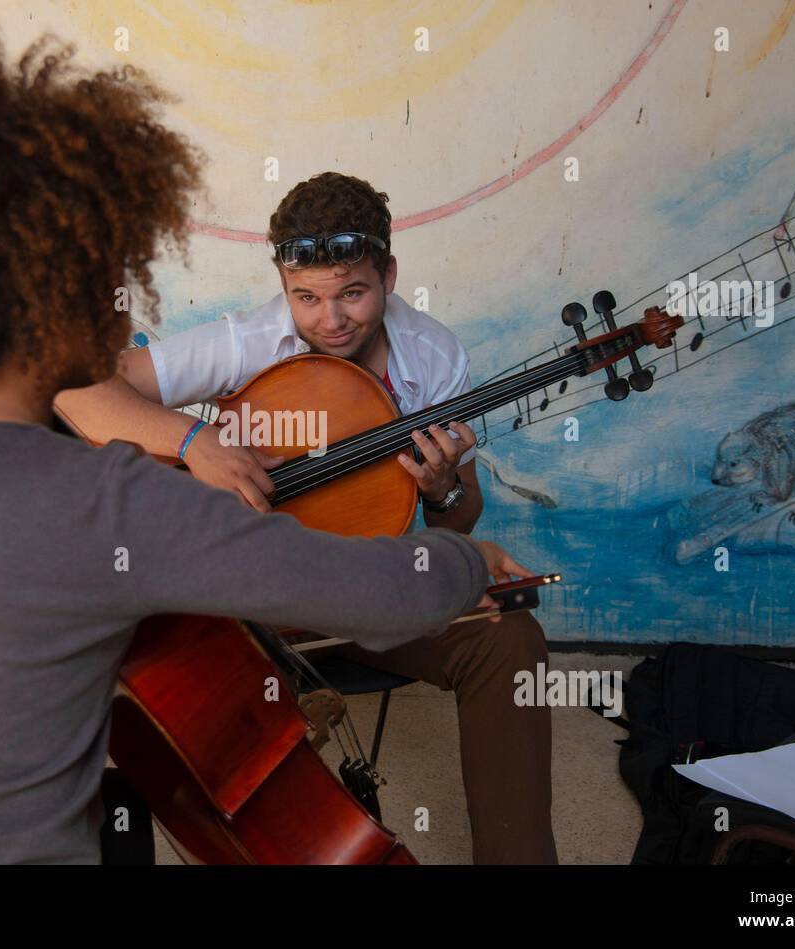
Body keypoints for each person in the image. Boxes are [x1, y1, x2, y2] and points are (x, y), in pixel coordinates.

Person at [0, 9, 521, 865]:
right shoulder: (119, 500)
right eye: (111, 280)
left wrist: (445, 503)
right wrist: (471, 563)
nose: (126, 314)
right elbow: (359, 585)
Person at [56, 173, 559, 864]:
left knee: (509, 638)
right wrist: (193, 439)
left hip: (356, 585)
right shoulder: (251, 339)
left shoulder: (433, 357)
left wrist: (442, 491)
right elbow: (75, 388)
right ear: (284, 286)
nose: (331, 320)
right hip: (232, 597)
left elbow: (453, 528)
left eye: (353, 292)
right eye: (307, 298)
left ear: (388, 273)